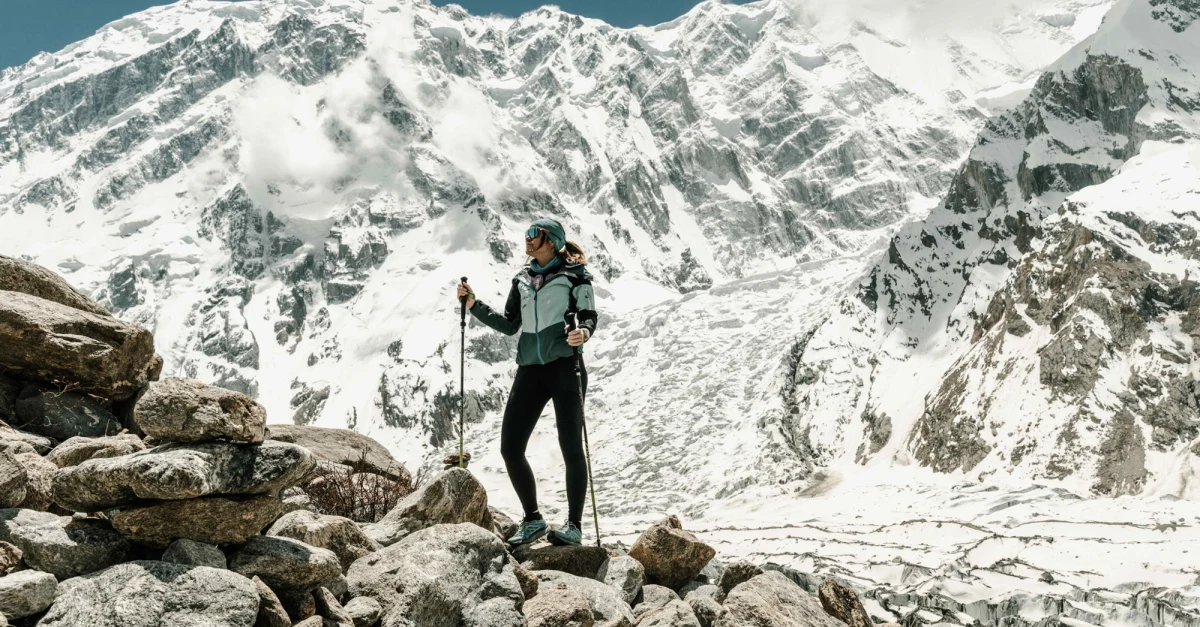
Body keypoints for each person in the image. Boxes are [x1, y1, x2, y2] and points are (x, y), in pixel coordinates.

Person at [457, 218, 598, 546]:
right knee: (510, 447)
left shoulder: (576, 276)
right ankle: (533, 519)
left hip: (566, 367)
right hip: (530, 369)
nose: (528, 238)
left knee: (571, 448)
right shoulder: (521, 279)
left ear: (553, 240)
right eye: (527, 233)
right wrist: (473, 305)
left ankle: (574, 526)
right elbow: (510, 325)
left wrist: (583, 332)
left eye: (535, 234)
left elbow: (589, 316)